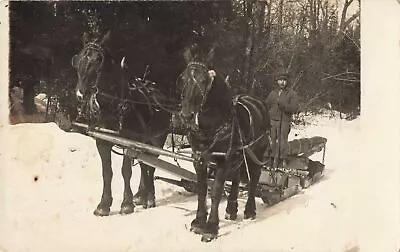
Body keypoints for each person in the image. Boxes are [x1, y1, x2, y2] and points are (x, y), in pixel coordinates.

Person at [265, 71, 300, 168]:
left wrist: (284, 106)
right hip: (272, 121)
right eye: (280, 80)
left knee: (282, 142)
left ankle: (282, 160)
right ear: (277, 81)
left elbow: (295, 108)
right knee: (271, 141)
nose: (282, 83)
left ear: (287, 82)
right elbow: (266, 105)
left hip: (284, 121)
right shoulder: (273, 93)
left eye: (284, 80)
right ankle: (269, 159)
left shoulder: (292, 94)